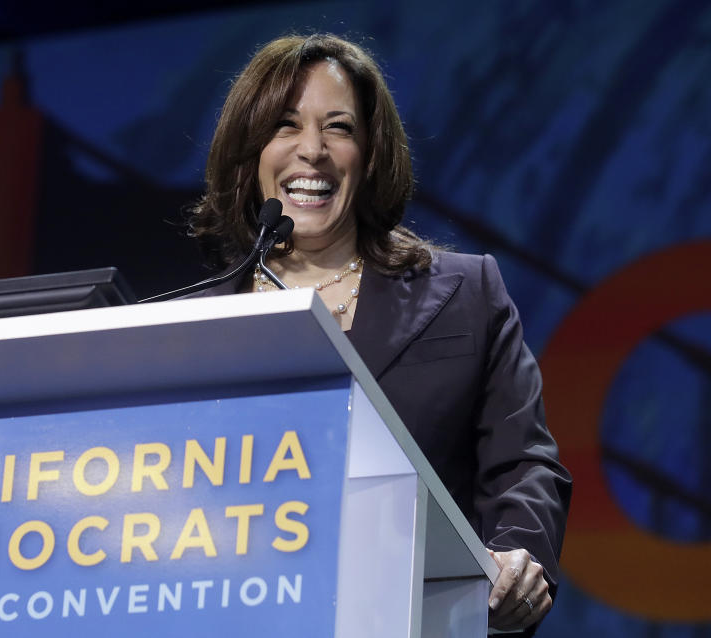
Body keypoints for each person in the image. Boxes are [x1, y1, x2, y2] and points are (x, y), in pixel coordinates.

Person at [189, 34, 572, 634]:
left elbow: (523, 463)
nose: (311, 151)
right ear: (249, 155)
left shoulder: (466, 294)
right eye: (285, 126)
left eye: (338, 128)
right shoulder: (188, 328)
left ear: (369, 156)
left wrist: (520, 553)